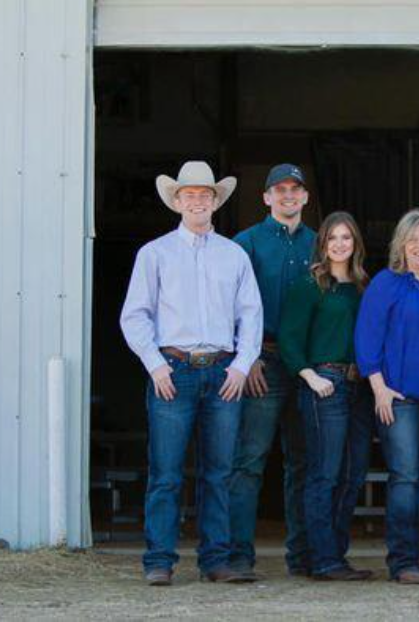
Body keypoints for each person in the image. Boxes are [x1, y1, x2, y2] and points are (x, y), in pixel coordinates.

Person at [120, 161, 262, 586]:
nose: (197, 201)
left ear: (215, 200)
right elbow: (135, 316)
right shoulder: (155, 253)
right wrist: (155, 363)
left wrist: (240, 364)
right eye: (190, 194)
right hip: (173, 369)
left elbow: (251, 315)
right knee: (165, 472)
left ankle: (215, 560)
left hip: (222, 373)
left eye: (205, 194)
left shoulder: (234, 255)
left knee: (219, 472)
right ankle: (159, 560)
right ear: (177, 201)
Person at [355, 209, 419, 585]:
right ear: (401, 244)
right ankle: (403, 562)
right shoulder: (388, 283)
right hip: (399, 396)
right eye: (413, 239)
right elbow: (367, 338)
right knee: (405, 476)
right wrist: (379, 388)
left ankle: (410, 556)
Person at [228, 164, 315, 579]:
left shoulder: (320, 244)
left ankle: (301, 557)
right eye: (279, 190)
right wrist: (247, 359)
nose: (287, 196)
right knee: (249, 461)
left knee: (303, 463)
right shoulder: (244, 244)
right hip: (261, 361)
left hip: (306, 368)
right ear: (266, 198)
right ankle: (239, 556)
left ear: (305, 197)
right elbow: (226, 306)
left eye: (294, 190)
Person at [278, 211, 374, 581]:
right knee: (325, 474)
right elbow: (289, 337)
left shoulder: (364, 286)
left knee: (353, 473)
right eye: (332, 238)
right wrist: (309, 376)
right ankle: (322, 559)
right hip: (325, 383)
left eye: (346, 238)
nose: (339, 244)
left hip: (360, 386)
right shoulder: (311, 285)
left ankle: (333, 553)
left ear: (356, 243)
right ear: (322, 244)